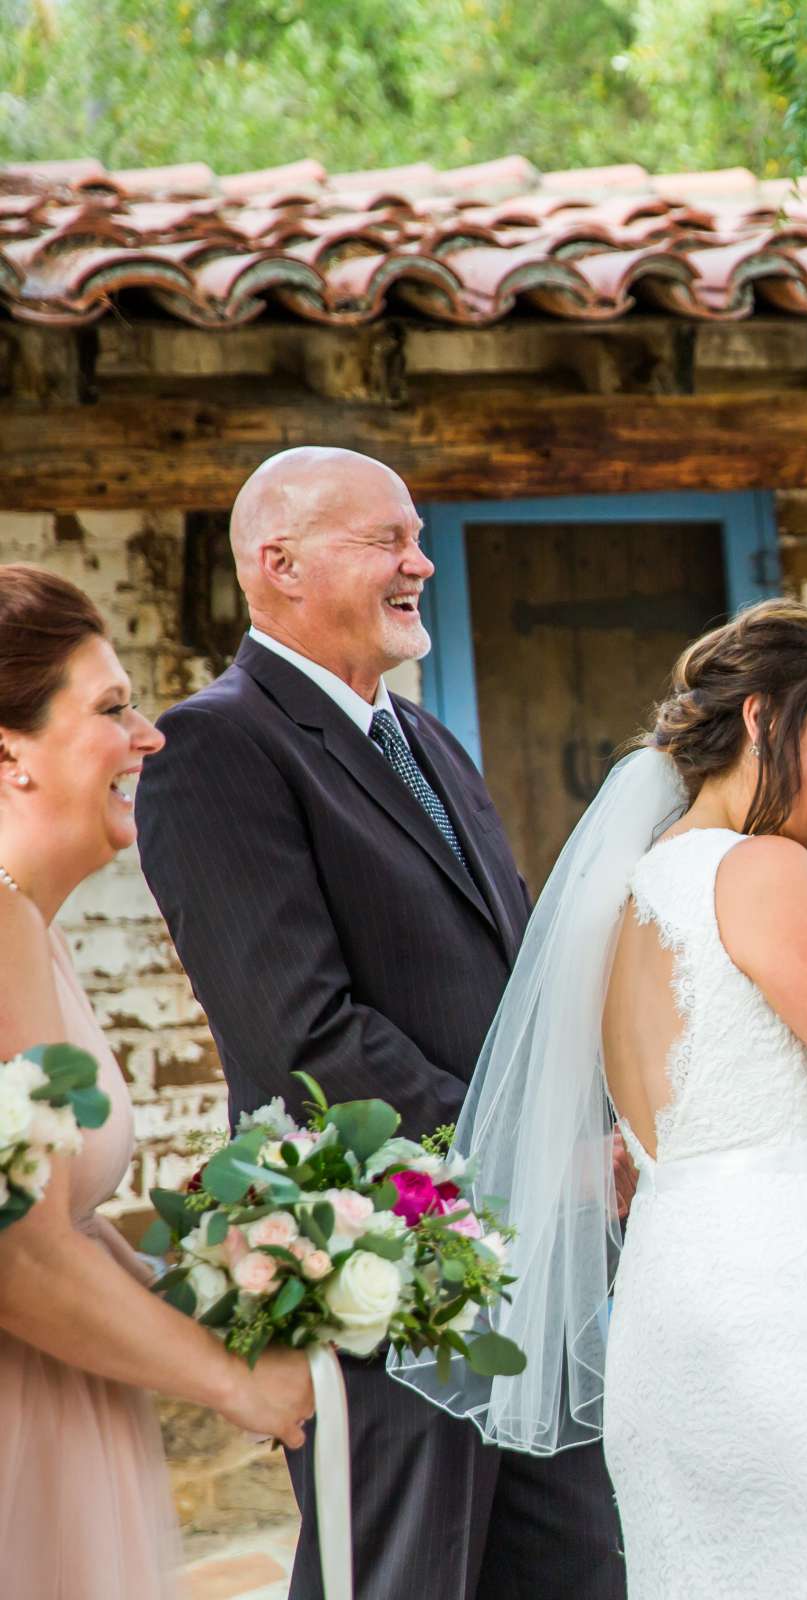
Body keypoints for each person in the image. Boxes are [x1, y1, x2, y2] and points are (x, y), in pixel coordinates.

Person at [135, 448, 625, 1599]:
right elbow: (300, 1035)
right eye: (386, 541)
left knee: (576, 1567)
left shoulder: (429, 743)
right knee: (407, 1571)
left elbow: (508, 993)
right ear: (280, 563)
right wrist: (529, 1147)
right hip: (375, 1261)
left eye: (416, 535)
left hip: (516, 1263)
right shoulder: (217, 747)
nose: (423, 563)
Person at [407, 599, 807, 1597]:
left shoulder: (637, 889)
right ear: (761, 718)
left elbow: (782, 1099)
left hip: (670, 1301)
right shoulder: (766, 871)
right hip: (782, 1307)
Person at [0, 564, 315, 1600]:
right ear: (10, 754)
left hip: (62, 1411)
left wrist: (231, 1306)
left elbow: (65, 1231)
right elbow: (18, 1255)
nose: (150, 736)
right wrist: (234, 1382)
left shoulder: (31, 935)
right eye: (112, 708)